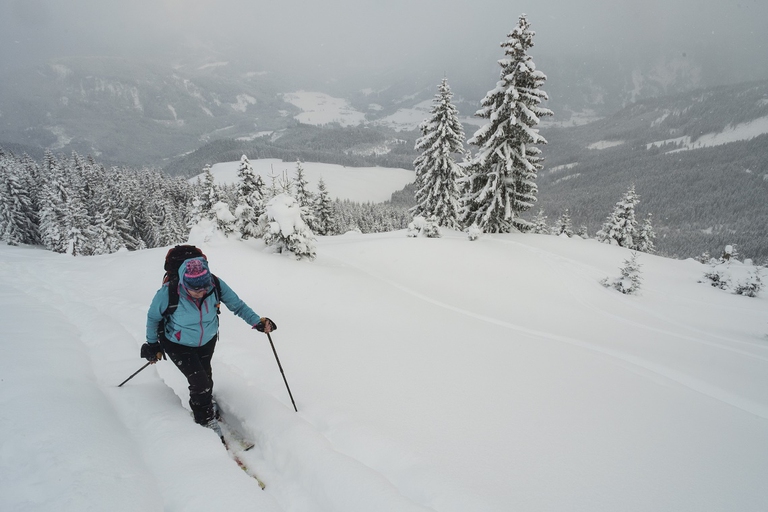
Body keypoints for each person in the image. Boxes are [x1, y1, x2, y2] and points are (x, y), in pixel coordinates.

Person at [142, 256, 275, 438]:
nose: (201, 293)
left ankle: (204, 401)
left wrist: (257, 322)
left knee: (206, 376)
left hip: (206, 340)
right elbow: (153, 318)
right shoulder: (168, 292)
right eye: (194, 290)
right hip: (177, 343)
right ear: (184, 283)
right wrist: (152, 345)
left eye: (204, 288)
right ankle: (204, 420)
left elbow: (238, 306)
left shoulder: (215, 285)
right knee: (200, 381)